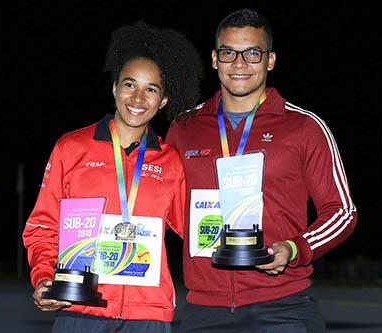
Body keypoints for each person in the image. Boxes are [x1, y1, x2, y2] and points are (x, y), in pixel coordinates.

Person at [166, 8, 357, 332]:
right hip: (203, 310)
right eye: (229, 52)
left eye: (252, 53)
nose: (239, 64)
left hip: (284, 308)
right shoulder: (184, 127)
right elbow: (162, 205)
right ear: (214, 59)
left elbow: (341, 212)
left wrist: (294, 248)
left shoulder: (304, 127)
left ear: (270, 60)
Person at [23, 21, 203, 333]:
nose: (138, 98)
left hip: (148, 313)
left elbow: (195, 229)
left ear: (162, 101)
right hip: (80, 306)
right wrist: (43, 277)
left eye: (151, 90)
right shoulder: (72, 147)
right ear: (114, 88)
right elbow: (42, 226)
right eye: (130, 85)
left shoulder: (170, 160)